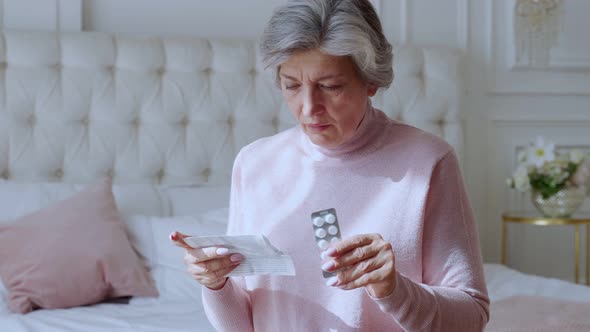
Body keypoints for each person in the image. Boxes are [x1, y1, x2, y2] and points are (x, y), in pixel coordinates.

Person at [171, 0, 490, 330]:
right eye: (292, 85)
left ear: (371, 81)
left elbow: (471, 318)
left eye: (330, 86)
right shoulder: (254, 164)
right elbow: (244, 324)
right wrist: (216, 285)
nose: (309, 108)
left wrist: (393, 289)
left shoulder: (428, 162)